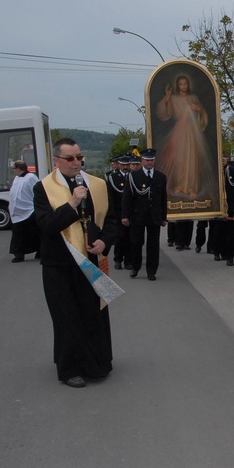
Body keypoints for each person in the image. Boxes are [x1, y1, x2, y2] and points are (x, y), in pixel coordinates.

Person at [33, 138, 119, 388]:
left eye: (79, 157)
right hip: (59, 263)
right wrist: (71, 203)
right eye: (69, 159)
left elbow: (111, 221)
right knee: (66, 316)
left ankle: (97, 363)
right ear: (57, 161)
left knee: (93, 313)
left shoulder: (98, 185)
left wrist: (104, 241)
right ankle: (70, 368)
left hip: (91, 261)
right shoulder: (44, 188)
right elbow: (46, 225)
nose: (76, 163)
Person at [155, 74, 217, 200]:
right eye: (181, 84)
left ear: (188, 85)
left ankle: (192, 187)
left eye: (185, 83)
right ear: (177, 86)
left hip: (193, 132)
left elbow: (203, 114)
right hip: (179, 132)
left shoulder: (193, 97)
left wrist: (198, 109)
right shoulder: (173, 98)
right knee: (180, 159)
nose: (183, 86)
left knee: (193, 159)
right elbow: (164, 113)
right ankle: (179, 185)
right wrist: (167, 97)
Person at [122, 149, 168, 281]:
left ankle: (151, 271)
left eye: (151, 160)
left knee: (153, 245)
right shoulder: (133, 176)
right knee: (136, 243)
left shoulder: (161, 176)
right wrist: (125, 216)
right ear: (142, 160)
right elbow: (127, 197)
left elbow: (163, 198)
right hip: (137, 215)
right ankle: (135, 267)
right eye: (147, 160)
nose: (149, 162)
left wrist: (164, 217)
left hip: (154, 216)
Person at [9, 160, 40, 262]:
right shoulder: (17, 178)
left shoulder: (31, 177)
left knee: (33, 233)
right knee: (18, 234)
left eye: (14, 168)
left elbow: (37, 192)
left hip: (29, 210)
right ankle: (19, 254)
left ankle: (38, 251)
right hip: (17, 212)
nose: (13, 171)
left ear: (18, 168)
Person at [106, 154, 132, 270]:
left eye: (127, 165)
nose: (125, 167)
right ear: (119, 165)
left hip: (131, 213)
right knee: (120, 237)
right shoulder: (113, 177)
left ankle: (128, 261)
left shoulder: (133, 176)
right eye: (123, 165)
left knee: (130, 238)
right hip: (118, 211)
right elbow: (110, 197)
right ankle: (118, 259)